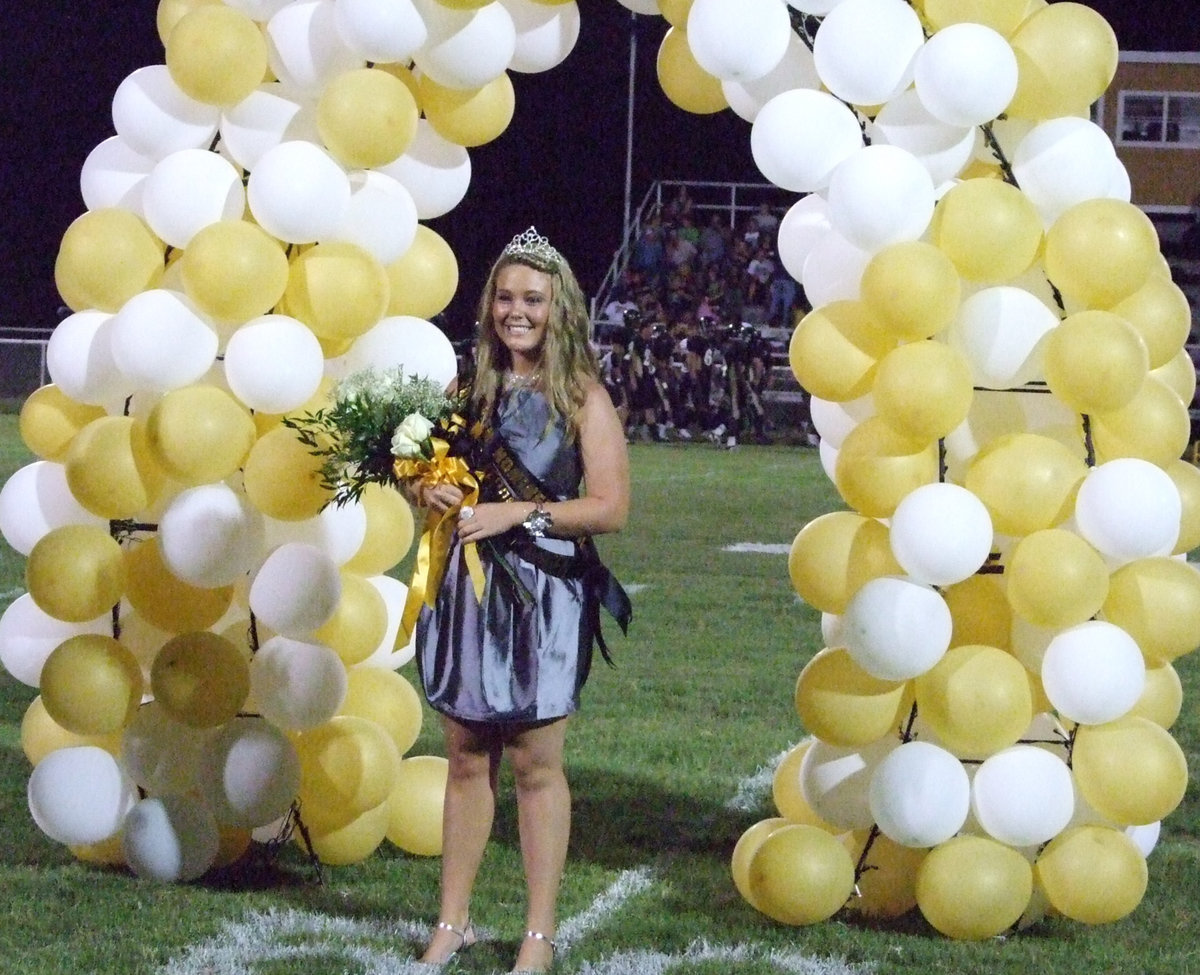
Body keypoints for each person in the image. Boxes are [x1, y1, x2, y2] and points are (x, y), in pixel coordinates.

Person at [404, 228, 632, 972]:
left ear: (558, 307)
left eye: (532, 298)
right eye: (505, 296)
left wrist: (518, 513)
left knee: (536, 762)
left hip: (544, 597)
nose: (516, 310)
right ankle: (454, 920)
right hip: (466, 591)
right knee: (466, 756)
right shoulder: (465, 388)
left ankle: (538, 934)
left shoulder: (581, 395)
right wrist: (424, 488)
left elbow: (610, 506)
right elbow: (425, 473)